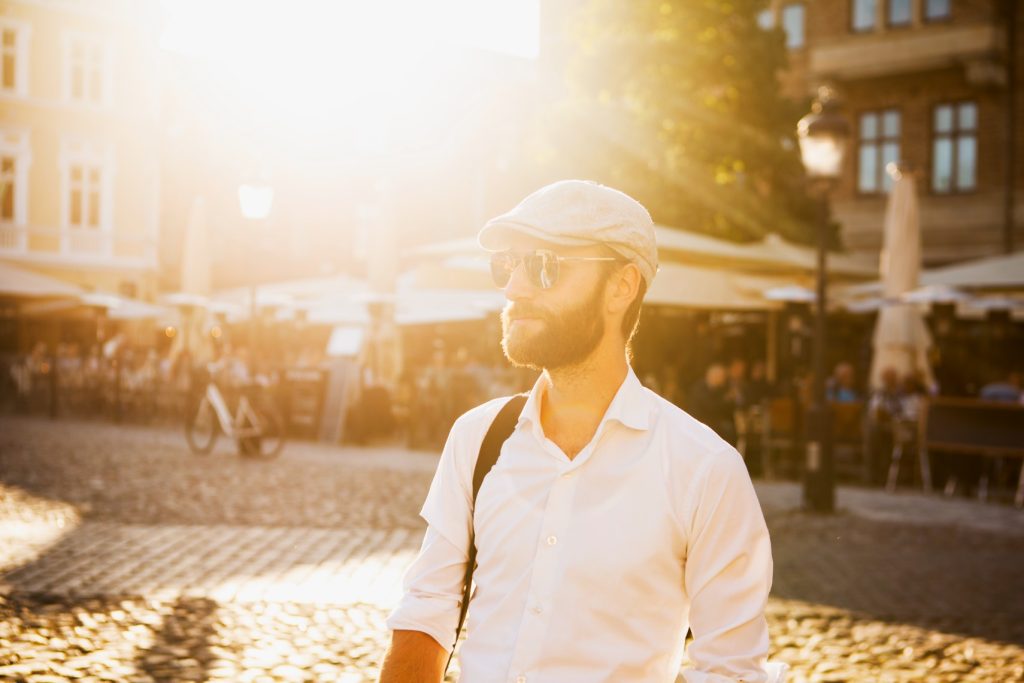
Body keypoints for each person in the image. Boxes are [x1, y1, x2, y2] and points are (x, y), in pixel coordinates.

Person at [380, 180, 773, 682]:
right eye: (508, 264)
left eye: (545, 265)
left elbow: (731, 670)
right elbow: (428, 606)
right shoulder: (477, 438)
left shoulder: (704, 469)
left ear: (621, 287)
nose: (515, 287)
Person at [687, 362, 738, 445]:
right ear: (715, 376)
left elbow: (726, 408)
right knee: (728, 430)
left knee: (731, 427)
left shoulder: (718, 388)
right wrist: (726, 400)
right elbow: (711, 407)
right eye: (722, 377)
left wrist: (729, 399)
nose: (724, 379)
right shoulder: (699, 388)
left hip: (714, 421)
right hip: (701, 422)